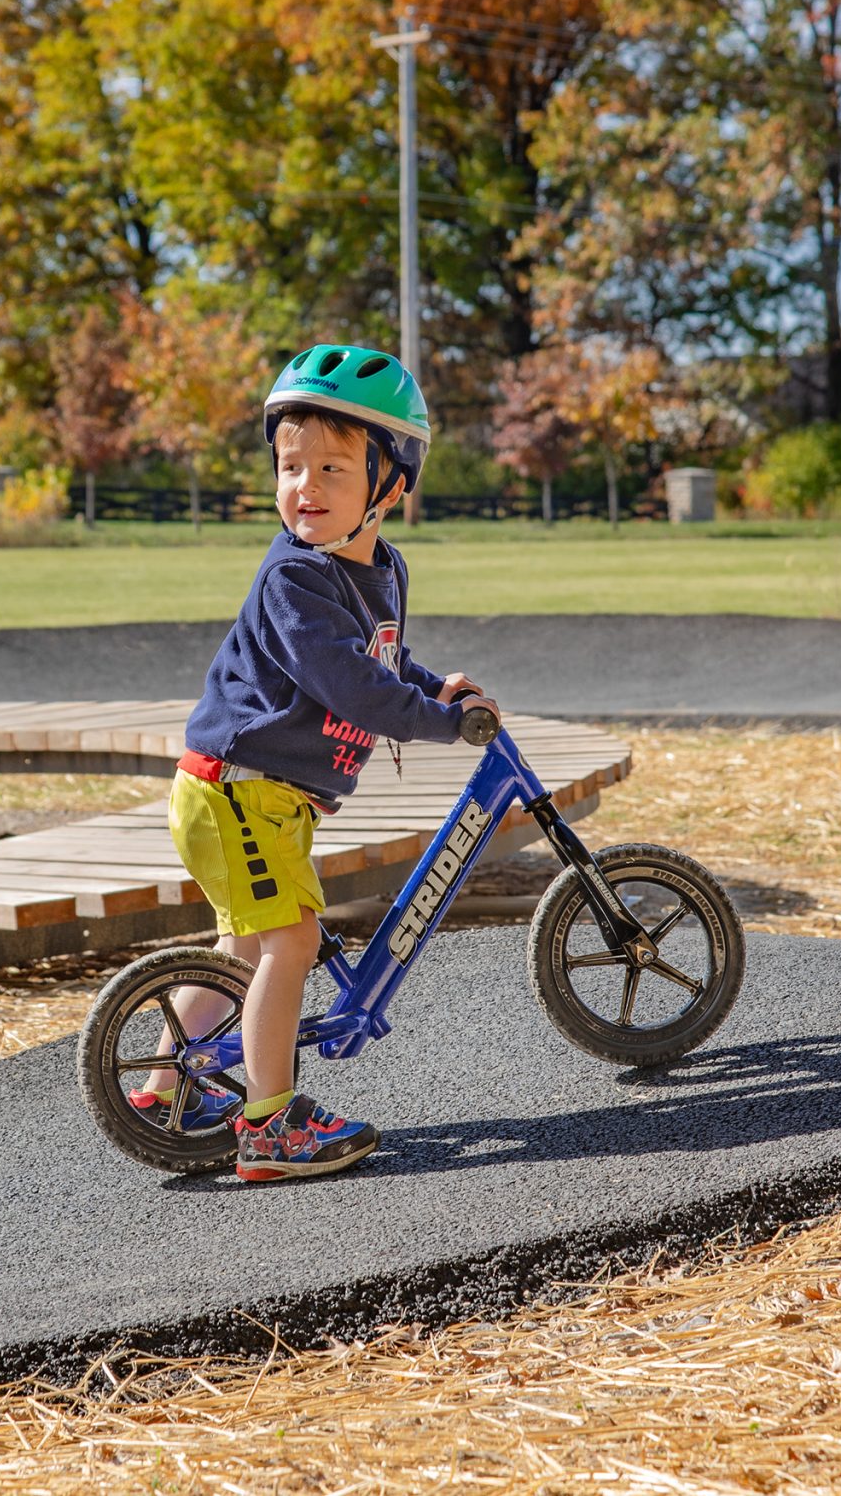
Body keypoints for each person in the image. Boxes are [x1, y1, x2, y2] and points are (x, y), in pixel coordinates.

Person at [141, 343, 498, 1182]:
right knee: (289, 946)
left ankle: (166, 1090)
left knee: (248, 951)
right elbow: (352, 688)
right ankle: (269, 1125)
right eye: (291, 464)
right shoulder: (294, 578)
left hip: (267, 798)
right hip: (238, 789)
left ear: (390, 484)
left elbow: (378, 658)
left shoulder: (377, 567)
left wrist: (430, 681)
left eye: (333, 468)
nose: (305, 486)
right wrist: (443, 725)